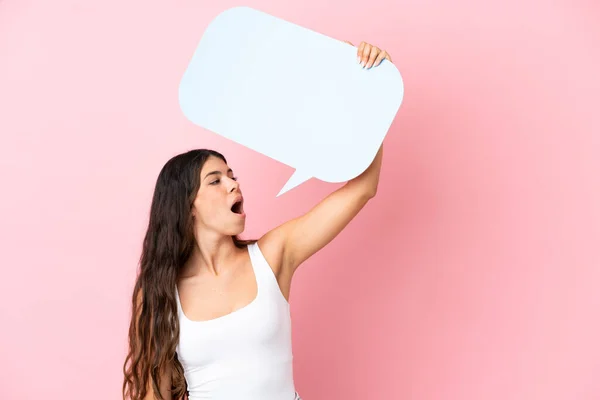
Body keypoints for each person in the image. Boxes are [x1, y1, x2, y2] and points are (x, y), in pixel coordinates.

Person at [123, 41, 392, 400]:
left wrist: (373, 91)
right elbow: (151, 394)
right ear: (187, 205)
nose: (234, 183)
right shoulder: (158, 292)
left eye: (232, 175)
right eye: (216, 180)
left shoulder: (272, 255)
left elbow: (362, 188)